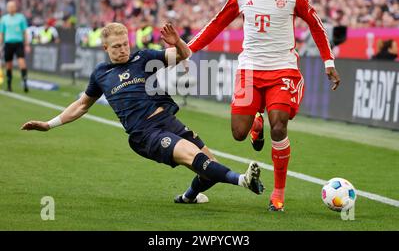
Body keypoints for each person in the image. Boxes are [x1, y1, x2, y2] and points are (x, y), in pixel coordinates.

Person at [21, 22, 264, 204]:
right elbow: (81, 105)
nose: (123, 50)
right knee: (194, 157)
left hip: (168, 121)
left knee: (210, 168)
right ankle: (244, 180)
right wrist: (48, 124)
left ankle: (188, 198)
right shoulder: (101, 74)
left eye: (125, 44)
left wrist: (177, 41)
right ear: (105, 48)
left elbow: (184, 55)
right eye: (116, 47)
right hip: (145, 134)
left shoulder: (143, 57)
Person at [186, 0, 341, 211]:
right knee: (238, 133)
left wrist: (328, 60)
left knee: (279, 127)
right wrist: (187, 50)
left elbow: (316, 25)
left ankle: (278, 194)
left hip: (283, 69)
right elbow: (216, 24)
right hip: (248, 71)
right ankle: (256, 123)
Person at [0, 1, 30, 92]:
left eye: (13, 6)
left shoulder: (20, 18)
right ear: (7, 8)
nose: (11, 8)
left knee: (22, 62)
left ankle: (25, 82)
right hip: (8, 44)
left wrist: (27, 44)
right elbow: (2, 33)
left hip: (18, 43)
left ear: (15, 8)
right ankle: (9, 85)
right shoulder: (4, 19)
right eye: (9, 7)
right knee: (9, 65)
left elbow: (25, 32)